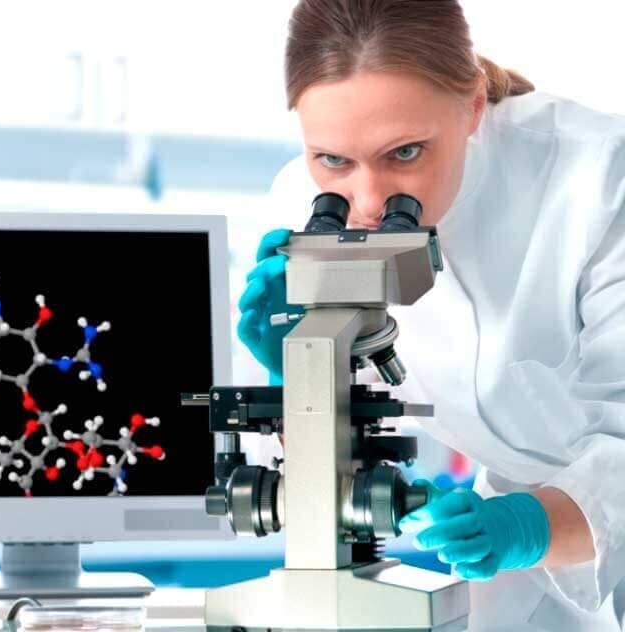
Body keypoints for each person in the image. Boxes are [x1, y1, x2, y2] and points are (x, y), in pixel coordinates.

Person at [237, 1, 625, 630]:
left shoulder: (601, 176)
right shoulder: (300, 205)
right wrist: (298, 375)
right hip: (514, 546)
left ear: (473, 105)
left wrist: (523, 526)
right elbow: (312, 461)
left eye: (406, 152)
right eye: (333, 160)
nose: (367, 201)